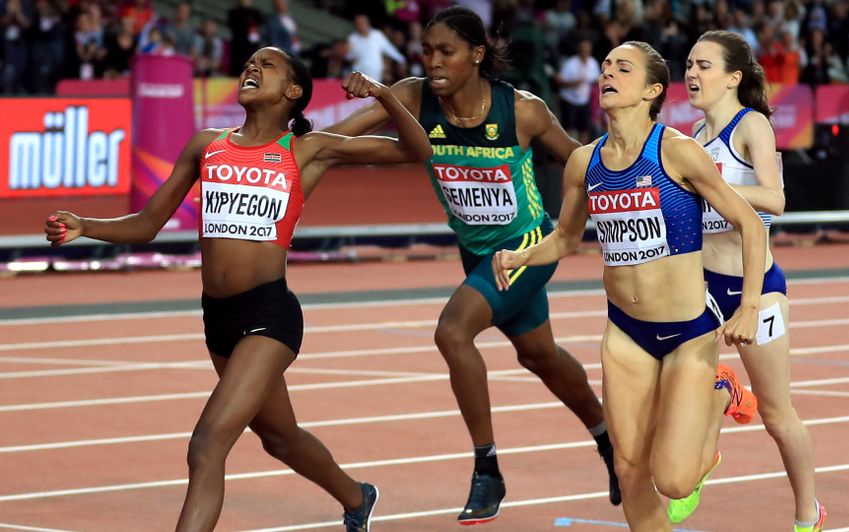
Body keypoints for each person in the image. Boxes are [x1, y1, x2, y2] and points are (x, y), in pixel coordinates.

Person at [44, 46, 433, 532]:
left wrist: (383, 95)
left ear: (293, 91)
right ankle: (358, 497)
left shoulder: (307, 149)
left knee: (206, 445)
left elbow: (417, 151)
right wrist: (86, 226)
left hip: (269, 315)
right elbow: (147, 224)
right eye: (250, 62)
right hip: (219, 319)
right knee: (280, 438)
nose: (252, 67)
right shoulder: (206, 145)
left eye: (266, 65)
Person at [324, 6, 620, 525]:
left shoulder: (522, 110)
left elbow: (580, 163)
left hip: (525, 246)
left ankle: (488, 469)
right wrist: (289, 143)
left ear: (477, 54)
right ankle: (610, 443)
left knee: (452, 331)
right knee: (540, 356)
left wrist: (619, 202)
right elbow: (337, 140)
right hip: (475, 252)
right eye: (427, 52)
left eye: (447, 52)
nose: (434, 62)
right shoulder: (413, 96)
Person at [492, 40, 765, 530]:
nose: (607, 74)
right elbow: (565, 238)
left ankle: (720, 389)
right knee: (628, 467)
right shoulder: (585, 162)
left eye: (622, 68)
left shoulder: (677, 152)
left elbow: (749, 223)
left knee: (675, 480)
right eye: (604, 67)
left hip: (687, 333)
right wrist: (521, 255)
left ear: (652, 91)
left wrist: (747, 307)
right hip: (625, 334)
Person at [683, 30, 826, 532]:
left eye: (704, 65)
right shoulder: (692, 137)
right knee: (679, 392)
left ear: (733, 78)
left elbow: (776, 199)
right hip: (703, 288)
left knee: (778, 416)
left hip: (757, 288)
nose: (692, 73)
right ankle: (707, 436)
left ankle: (808, 512)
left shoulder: (751, 125)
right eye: (689, 64)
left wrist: (714, 187)